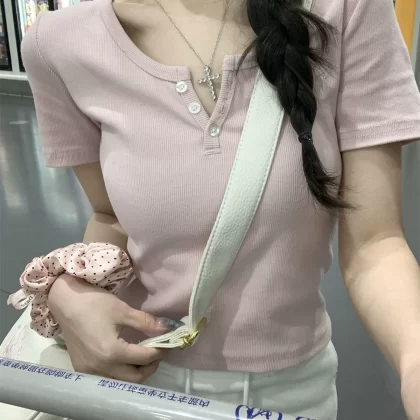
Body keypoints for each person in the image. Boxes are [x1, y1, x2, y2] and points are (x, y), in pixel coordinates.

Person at [12, 0, 420, 418]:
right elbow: (109, 216)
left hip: (288, 392)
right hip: (136, 381)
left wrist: (414, 360)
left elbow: (377, 244)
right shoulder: (60, 42)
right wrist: (75, 293)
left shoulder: (345, 9)